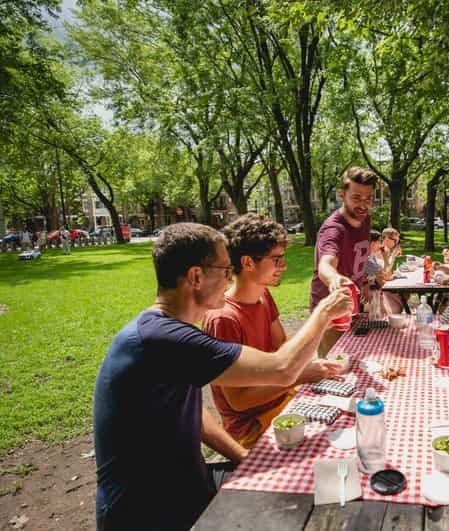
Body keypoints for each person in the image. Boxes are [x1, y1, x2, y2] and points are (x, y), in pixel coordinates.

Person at [93, 222, 351, 530]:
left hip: (187, 485)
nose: (230, 278)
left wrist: (243, 457)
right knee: (310, 501)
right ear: (196, 276)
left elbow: (193, 413)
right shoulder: (162, 337)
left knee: (322, 481)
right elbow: (283, 368)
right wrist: (324, 311)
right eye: (224, 269)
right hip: (145, 512)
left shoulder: (167, 330)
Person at [203, 214, 342, 448]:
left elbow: (284, 348)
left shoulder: (263, 295)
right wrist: (300, 374)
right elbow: (239, 401)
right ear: (247, 263)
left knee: (345, 424)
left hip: (283, 401)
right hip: (252, 427)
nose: (284, 266)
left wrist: (323, 324)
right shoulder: (223, 319)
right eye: (276, 260)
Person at [310, 166, 378, 355]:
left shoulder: (365, 220)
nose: (363, 205)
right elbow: (325, 264)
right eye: (356, 198)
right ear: (342, 194)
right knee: (332, 368)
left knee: (357, 360)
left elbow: (358, 255)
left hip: (352, 307)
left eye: (368, 198)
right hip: (329, 312)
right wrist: (334, 279)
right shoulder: (333, 229)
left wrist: (363, 280)